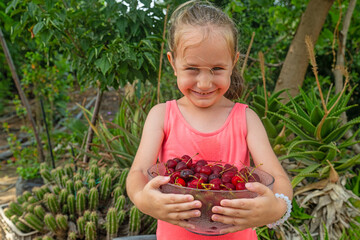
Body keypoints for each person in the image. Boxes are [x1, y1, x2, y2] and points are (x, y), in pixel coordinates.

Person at [126, 1, 293, 239]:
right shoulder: (161, 115)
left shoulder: (246, 119)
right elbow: (138, 173)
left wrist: (276, 208)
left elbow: (279, 180)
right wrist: (144, 200)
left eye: (216, 69)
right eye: (192, 69)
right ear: (173, 64)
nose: (204, 83)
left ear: (233, 63)